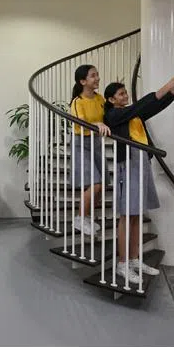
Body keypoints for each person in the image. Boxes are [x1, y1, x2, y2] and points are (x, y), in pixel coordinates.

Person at [102, 67, 174, 285]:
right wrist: (169, 84)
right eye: (121, 94)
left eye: (125, 92)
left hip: (142, 162)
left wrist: (173, 92)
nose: (125, 96)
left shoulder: (131, 112)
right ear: (111, 99)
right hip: (128, 164)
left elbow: (153, 106)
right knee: (126, 215)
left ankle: (134, 259)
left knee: (137, 214)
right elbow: (143, 105)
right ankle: (122, 263)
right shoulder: (113, 115)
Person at [69, 64, 111, 236]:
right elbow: (80, 122)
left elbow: (109, 115)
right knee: (94, 185)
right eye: (93, 76)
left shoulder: (100, 98)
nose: (97, 78)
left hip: (96, 142)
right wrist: (98, 124)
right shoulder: (77, 102)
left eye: (97, 74)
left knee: (101, 186)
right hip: (81, 143)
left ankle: (87, 218)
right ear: (83, 81)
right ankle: (79, 218)